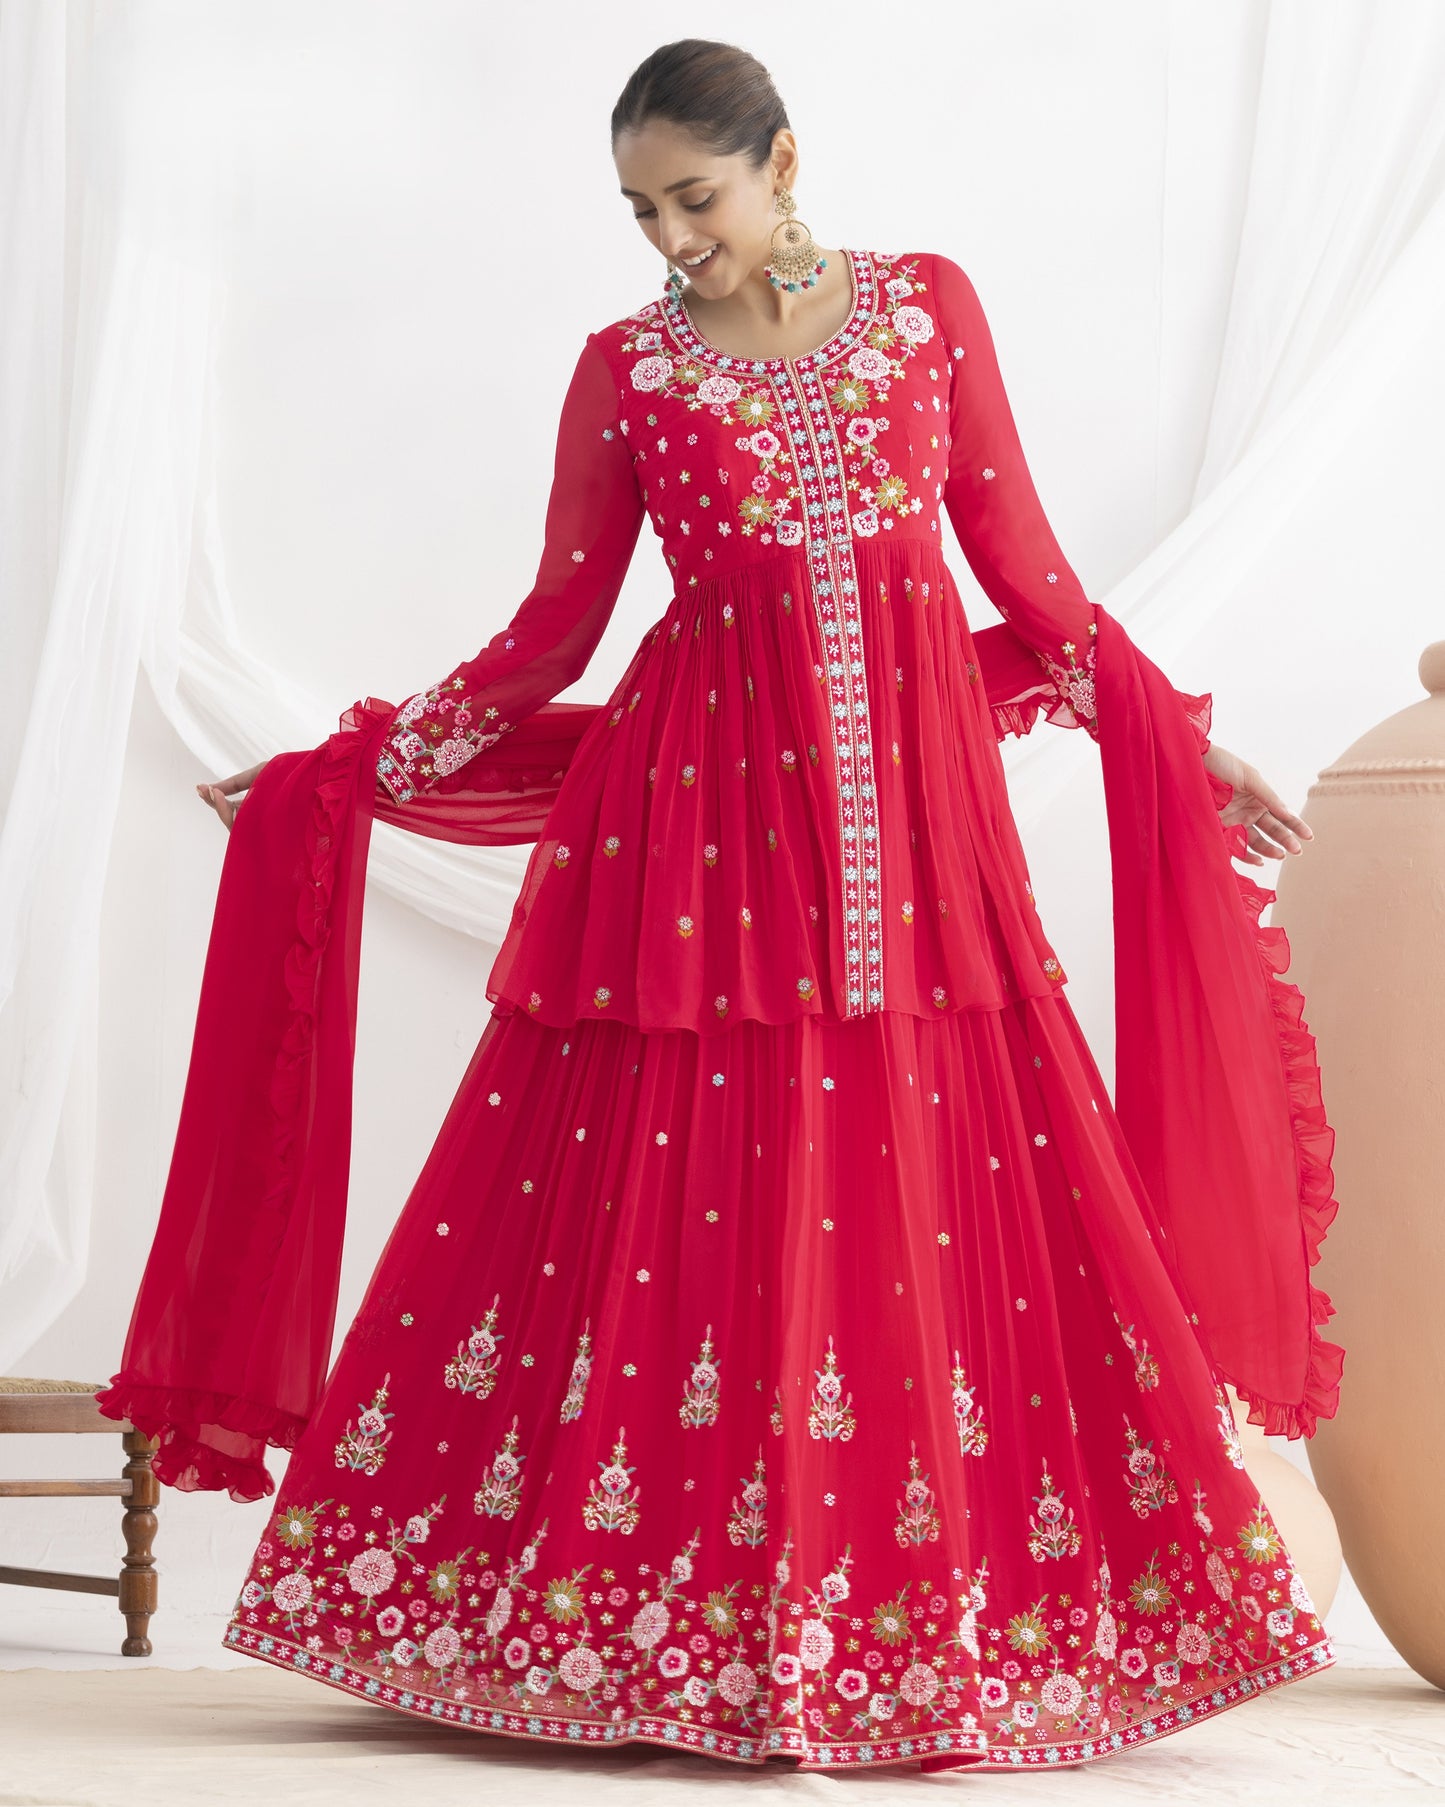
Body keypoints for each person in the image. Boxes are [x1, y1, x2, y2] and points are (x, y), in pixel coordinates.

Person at [100, 38, 1344, 1772]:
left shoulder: (927, 310)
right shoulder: (625, 372)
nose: (671, 237)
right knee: (663, 1194)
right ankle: (619, 1628)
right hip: (684, 854)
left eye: (696, 196)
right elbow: (555, 629)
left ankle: (944, 1623)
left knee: (947, 1175)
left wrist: (1184, 747)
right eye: (640, 209)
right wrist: (358, 768)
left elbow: (1027, 572)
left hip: (919, 837)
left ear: (780, 159)